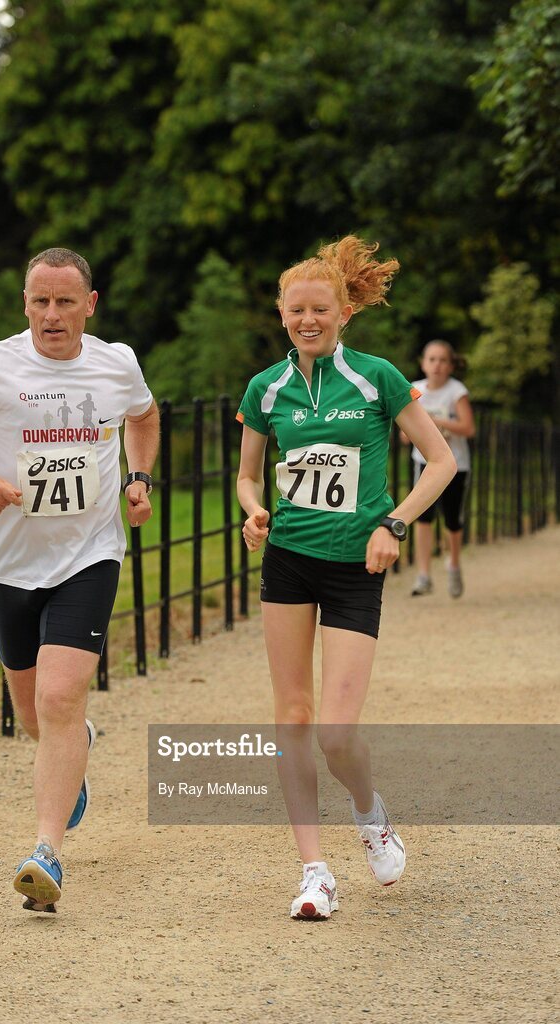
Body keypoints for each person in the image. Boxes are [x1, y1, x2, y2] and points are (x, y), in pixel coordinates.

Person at [0, 247, 159, 912]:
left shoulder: (117, 362)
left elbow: (143, 414)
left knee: (57, 700)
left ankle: (44, 853)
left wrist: (138, 478)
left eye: (65, 301)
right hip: (11, 567)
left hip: (90, 556)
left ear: (90, 304)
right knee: (35, 718)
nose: (52, 314)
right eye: (40, 301)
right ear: (25, 303)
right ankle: (73, 749)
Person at [236, 236, 456, 920]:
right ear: (281, 313)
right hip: (290, 560)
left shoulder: (379, 378)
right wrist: (253, 511)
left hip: (356, 566)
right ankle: (314, 871)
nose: (308, 320)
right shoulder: (265, 388)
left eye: (320, 310)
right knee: (293, 717)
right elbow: (247, 473)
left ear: (342, 313)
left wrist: (393, 525)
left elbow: (441, 461)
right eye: (297, 310)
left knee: (335, 731)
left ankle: (370, 813)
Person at [405, 340, 475, 598]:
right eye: (432, 359)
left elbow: (468, 428)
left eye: (443, 360)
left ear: (451, 365)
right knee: (422, 517)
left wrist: (436, 422)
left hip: (455, 464)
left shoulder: (457, 391)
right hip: (423, 462)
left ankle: (454, 566)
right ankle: (423, 575)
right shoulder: (414, 389)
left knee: (452, 519)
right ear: (423, 363)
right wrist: (420, 429)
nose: (437, 365)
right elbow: (404, 435)